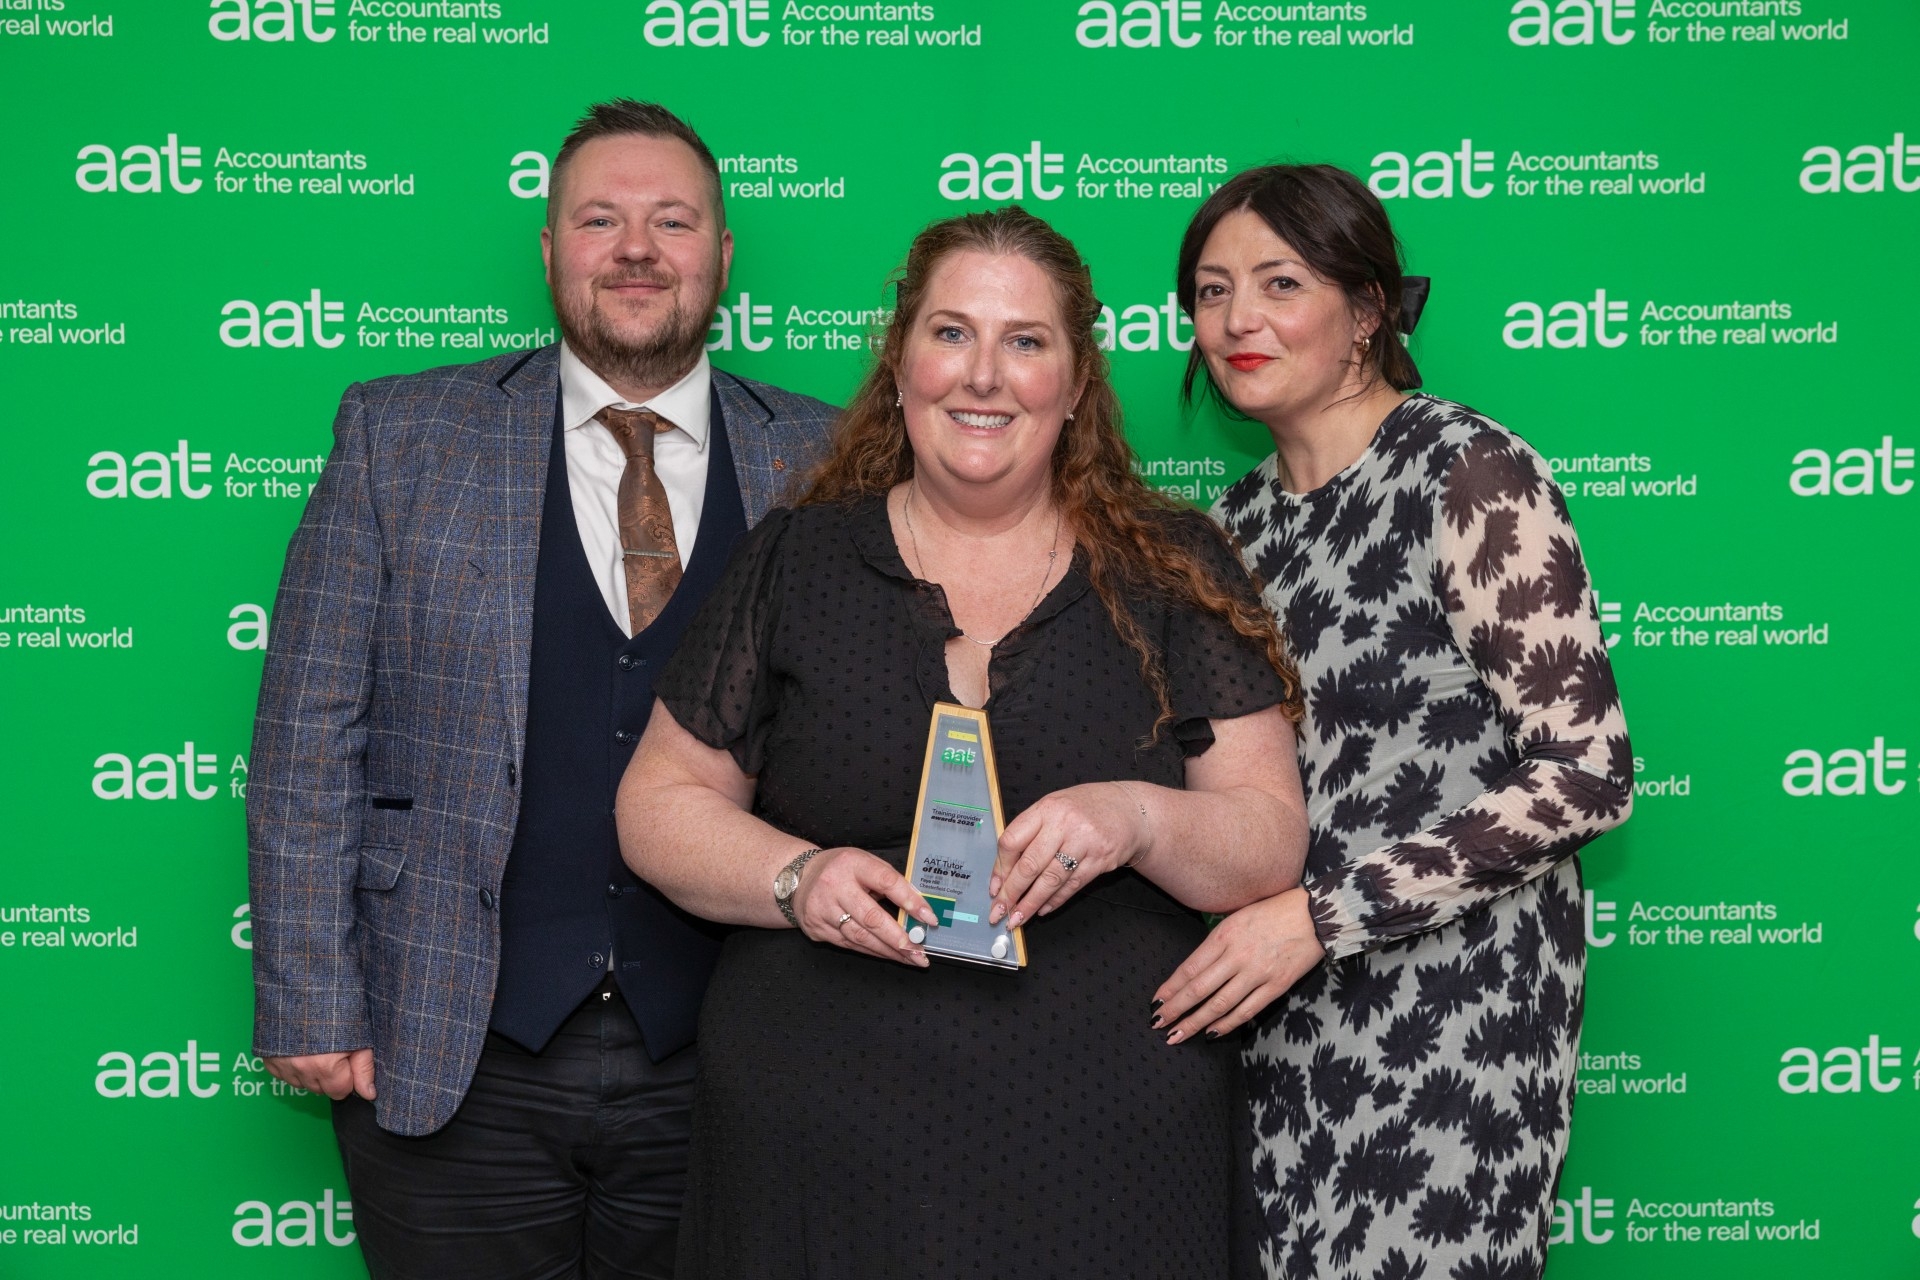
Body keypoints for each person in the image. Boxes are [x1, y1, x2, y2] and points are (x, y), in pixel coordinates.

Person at [616, 206, 1310, 1278]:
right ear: (901, 364)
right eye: (951, 333)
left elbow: (1266, 837)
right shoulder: (797, 558)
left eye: (1025, 341)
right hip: (818, 1147)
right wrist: (795, 876)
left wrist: (1136, 816)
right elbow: (659, 804)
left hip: (1107, 1150)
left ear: (1075, 384)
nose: (983, 375)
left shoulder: (1174, 567)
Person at [246, 99, 837, 1278]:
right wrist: (311, 1000)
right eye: (600, 219)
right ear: (550, 248)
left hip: (734, 1059)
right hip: (451, 1050)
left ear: (722, 255)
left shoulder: (826, 458)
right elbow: (309, 729)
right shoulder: (401, 433)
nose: (637, 248)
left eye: (673, 221)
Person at [1149, 164, 1633, 1280]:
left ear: (1367, 309)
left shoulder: (1466, 469)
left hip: (1456, 1009)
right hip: (1279, 1012)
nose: (1238, 318)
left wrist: (1324, 917)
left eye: (1280, 282)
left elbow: (1588, 771)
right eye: (1212, 291)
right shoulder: (1233, 527)